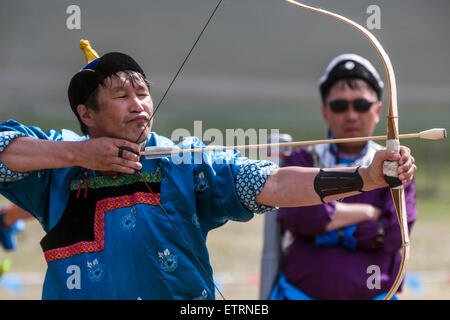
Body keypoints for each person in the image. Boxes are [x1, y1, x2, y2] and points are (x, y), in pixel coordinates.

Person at [0, 42, 416, 300]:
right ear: (86, 113)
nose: (139, 105)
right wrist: (81, 156)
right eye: (121, 95)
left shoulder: (182, 160)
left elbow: (270, 182)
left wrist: (367, 178)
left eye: (143, 92)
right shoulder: (57, 164)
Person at [266, 54, 417, 300]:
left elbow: (394, 234)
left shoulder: (394, 165)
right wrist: (367, 215)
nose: (351, 115)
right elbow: (298, 216)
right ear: (325, 112)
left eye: (361, 105)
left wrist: (324, 228)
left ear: (379, 110)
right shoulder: (303, 160)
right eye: (339, 106)